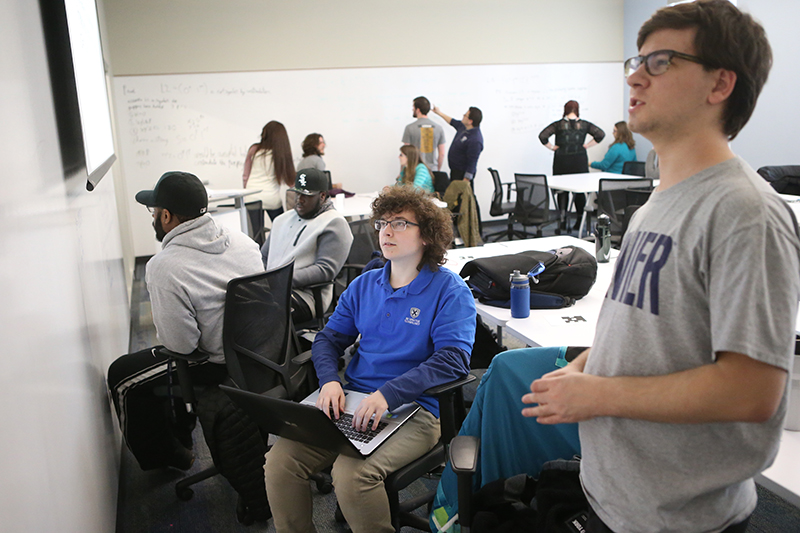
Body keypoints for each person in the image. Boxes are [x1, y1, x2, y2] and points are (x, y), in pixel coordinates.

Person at [522, 2, 800, 533]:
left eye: (660, 62)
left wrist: (597, 393)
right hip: (616, 495)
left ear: (719, 84)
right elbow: (646, 331)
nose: (634, 75)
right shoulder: (656, 204)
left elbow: (752, 391)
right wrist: (581, 371)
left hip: (678, 519)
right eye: (637, 60)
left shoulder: (745, 211)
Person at [264, 186, 476, 533]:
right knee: (280, 462)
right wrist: (330, 381)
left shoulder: (449, 291)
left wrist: (388, 395)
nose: (387, 231)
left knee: (352, 475)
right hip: (352, 400)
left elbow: (452, 361)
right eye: (382, 223)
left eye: (401, 224)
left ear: (427, 236)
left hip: (416, 410)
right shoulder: (364, 285)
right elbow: (328, 340)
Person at [107, 171, 264, 470]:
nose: (153, 217)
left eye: (153, 211)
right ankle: (181, 429)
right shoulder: (244, 242)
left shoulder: (164, 266)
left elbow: (181, 344)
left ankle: (168, 457)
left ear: (166, 216)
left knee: (123, 376)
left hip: (217, 363)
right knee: (155, 366)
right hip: (260, 353)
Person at [261, 168, 353, 324]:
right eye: (298, 193)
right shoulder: (281, 220)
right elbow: (263, 257)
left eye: (306, 196)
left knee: (260, 311)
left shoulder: (334, 223)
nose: (299, 199)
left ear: (322, 196)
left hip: (305, 296)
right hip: (271, 288)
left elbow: (325, 270)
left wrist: (282, 280)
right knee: (236, 301)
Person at [539, 101, 605, 229]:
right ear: (577, 110)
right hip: (579, 161)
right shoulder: (585, 125)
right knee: (579, 192)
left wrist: (552, 147)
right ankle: (580, 221)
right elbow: (600, 134)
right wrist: (587, 145)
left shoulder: (558, 125)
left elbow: (543, 136)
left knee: (562, 191)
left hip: (561, 161)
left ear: (565, 109)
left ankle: (562, 221)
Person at [242, 120, 296, 221]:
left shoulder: (254, 149)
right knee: (281, 227)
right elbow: (290, 181)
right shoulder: (281, 153)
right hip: (272, 198)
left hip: (252, 197)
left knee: (255, 232)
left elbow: (245, 176)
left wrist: (246, 190)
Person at [432, 104, 484, 184]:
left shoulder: (475, 140)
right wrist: (439, 113)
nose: (463, 116)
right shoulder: (464, 127)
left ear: (470, 121)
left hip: (462, 175)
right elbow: (452, 121)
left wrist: (465, 181)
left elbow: (472, 163)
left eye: (465, 115)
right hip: (455, 172)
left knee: (461, 195)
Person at [402, 96, 446, 171]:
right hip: (432, 170)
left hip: (415, 170)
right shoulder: (439, 128)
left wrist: (402, 172)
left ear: (418, 110)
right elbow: (442, 154)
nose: (412, 109)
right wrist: (438, 170)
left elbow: (406, 153)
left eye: (413, 107)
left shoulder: (409, 128)